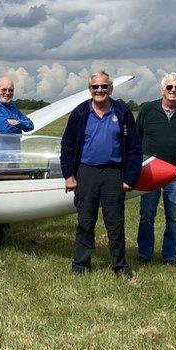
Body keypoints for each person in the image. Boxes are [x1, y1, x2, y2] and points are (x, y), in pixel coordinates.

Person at [60, 71, 142, 279]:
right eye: (95, 87)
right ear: (90, 90)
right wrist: (69, 175)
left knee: (115, 223)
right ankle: (81, 263)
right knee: (85, 221)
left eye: (104, 86)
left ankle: (120, 265)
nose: (99, 90)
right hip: (86, 172)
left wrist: (129, 178)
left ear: (111, 89)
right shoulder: (80, 113)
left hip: (113, 173)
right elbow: (67, 145)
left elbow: (134, 149)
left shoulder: (122, 113)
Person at [136, 72, 176, 265]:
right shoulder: (147, 109)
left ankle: (169, 255)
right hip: (150, 172)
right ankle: (144, 254)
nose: (173, 91)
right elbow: (137, 137)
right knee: (147, 215)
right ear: (162, 90)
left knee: (174, 215)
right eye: (169, 87)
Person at [0, 76, 34, 168]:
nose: (7, 93)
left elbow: (30, 125)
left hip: (14, 157)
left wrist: (18, 123)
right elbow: (6, 130)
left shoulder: (12, 106)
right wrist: (20, 129)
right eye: (4, 89)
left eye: (11, 90)